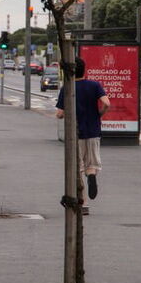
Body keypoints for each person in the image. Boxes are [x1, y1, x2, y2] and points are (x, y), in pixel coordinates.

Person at [55, 57, 110, 215]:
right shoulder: (94, 85)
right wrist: (99, 114)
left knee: (78, 168)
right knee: (91, 164)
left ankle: (84, 203)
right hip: (93, 130)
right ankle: (91, 176)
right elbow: (107, 103)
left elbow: (60, 114)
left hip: (75, 133)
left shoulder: (67, 88)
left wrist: (61, 115)